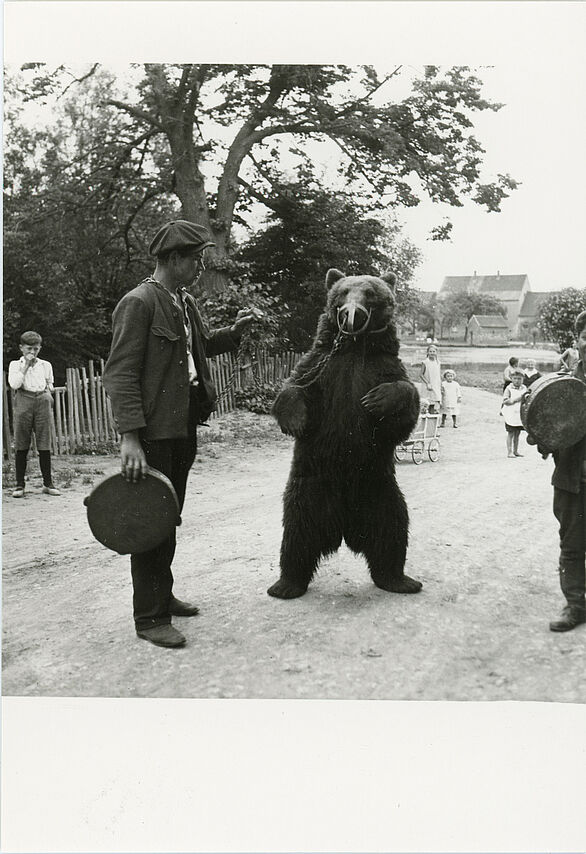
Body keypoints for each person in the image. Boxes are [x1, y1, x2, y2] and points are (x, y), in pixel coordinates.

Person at [103, 220, 261, 649]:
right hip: (152, 434)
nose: (200, 266)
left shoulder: (183, 301)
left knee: (169, 516)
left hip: (183, 425)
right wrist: (130, 437)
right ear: (172, 259)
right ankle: (150, 617)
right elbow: (120, 375)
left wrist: (235, 333)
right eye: (195, 259)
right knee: (150, 521)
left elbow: (200, 348)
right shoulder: (138, 303)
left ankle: (163, 594)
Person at [527, 311, 586, 632]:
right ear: (577, 340)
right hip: (572, 480)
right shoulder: (562, 385)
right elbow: (544, 430)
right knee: (573, 545)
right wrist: (541, 436)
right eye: (585, 336)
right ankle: (576, 605)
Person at [7, 331, 61, 499]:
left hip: (42, 400)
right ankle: (19, 485)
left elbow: (49, 384)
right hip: (24, 398)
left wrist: (48, 395)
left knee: (44, 441)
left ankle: (48, 484)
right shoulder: (15, 365)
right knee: (22, 441)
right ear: (21, 348)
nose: (32, 352)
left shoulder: (46, 365)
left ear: (40, 348)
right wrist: (25, 367)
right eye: (29, 348)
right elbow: (14, 384)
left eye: (36, 349)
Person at [501, 368, 527, 458]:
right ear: (511, 378)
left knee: (517, 433)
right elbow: (505, 401)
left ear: (523, 379)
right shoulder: (509, 388)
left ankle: (516, 451)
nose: (517, 381)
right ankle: (509, 452)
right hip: (511, 413)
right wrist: (516, 399)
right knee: (511, 433)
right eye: (515, 378)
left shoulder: (524, 388)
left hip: (519, 414)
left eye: (519, 379)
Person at [419, 344, 441, 414]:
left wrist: (440, 385)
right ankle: (423, 419)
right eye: (430, 351)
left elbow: (438, 375)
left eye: (434, 351)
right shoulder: (425, 362)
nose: (432, 353)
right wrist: (427, 383)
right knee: (426, 403)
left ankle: (431, 420)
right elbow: (421, 374)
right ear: (427, 352)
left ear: (436, 352)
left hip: (435, 384)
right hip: (427, 385)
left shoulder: (438, 362)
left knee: (434, 401)